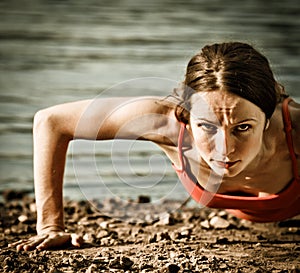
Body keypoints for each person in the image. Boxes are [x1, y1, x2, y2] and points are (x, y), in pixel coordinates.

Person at [10, 42, 300, 251]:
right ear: (187, 116)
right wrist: (50, 226)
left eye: (243, 128)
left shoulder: (294, 129)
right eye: (207, 127)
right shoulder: (167, 124)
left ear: (268, 117)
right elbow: (50, 122)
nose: (225, 148)